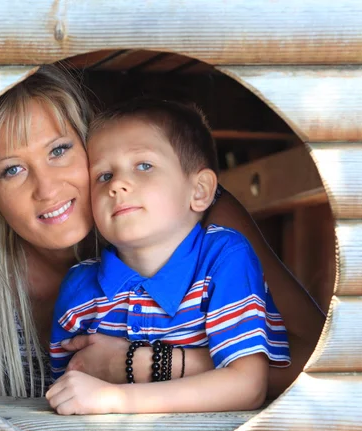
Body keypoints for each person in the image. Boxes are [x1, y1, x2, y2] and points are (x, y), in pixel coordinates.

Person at [0, 65, 324, 401]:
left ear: (89, 144)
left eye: (59, 150)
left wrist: (140, 363)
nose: (47, 189)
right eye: (12, 169)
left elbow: (319, 363)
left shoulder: (196, 218)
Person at [47, 98, 290, 415]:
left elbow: (248, 386)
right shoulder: (78, 290)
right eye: (103, 176)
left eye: (144, 166)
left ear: (199, 191)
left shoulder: (224, 259)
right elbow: (68, 395)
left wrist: (117, 398)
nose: (118, 184)